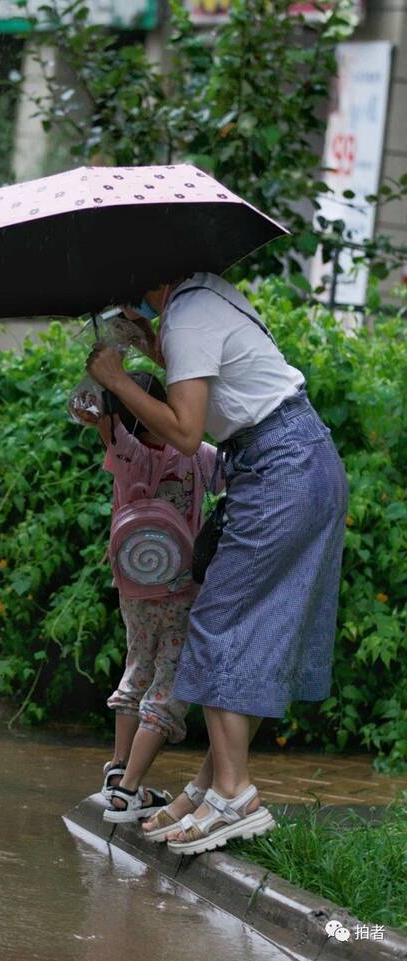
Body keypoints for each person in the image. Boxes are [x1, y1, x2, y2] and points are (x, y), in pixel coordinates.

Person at [86, 272, 348, 855]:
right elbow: (217, 384)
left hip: (282, 472)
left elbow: (184, 431)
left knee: (219, 622)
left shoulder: (189, 315)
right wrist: (153, 346)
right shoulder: (203, 296)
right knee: (250, 631)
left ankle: (235, 794)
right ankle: (211, 788)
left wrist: (116, 380)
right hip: (296, 463)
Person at [72, 370, 220, 823]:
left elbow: (87, 407)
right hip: (178, 589)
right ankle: (129, 792)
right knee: (169, 682)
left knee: (137, 666)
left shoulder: (126, 452)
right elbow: (237, 469)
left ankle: (118, 772)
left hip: (133, 585)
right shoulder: (197, 456)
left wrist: (103, 376)